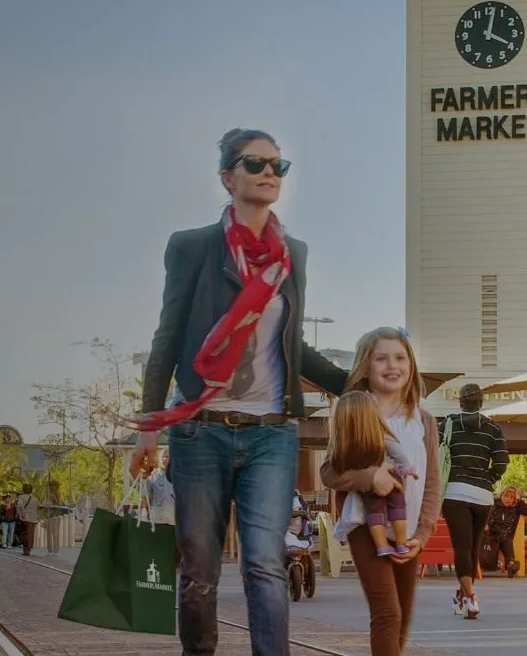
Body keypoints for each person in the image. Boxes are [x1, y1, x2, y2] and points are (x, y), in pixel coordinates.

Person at [137, 127, 348, 656]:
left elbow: (293, 346)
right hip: (200, 432)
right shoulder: (193, 248)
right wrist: (148, 427)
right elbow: (167, 340)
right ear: (228, 177)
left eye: (278, 165)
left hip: (272, 434)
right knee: (200, 567)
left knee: (264, 563)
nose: (269, 174)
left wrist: (363, 383)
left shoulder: (292, 254)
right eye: (255, 164)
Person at [320, 327, 442, 656]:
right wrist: (370, 477)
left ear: (411, 365)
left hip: (409, 526)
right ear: (365, 365)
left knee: (403, 614)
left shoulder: (424, 420)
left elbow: (432, 482)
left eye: (400, 358)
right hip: (365, 522)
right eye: (381, 358)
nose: (393, 366)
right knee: (387, 612)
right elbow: (329, 472)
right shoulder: (353, 410)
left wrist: (423, 532)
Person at [440, 383, 509, 619]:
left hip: (454, 492)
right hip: (482, 496)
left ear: (460, 401)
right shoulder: (493, 428)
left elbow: (434, 454)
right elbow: (501, 462)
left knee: (462, 546)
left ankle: (469, 597)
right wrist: (486, 479)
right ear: (481, 402)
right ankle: (462, 595)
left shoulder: (448, 424)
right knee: (473, 545)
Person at [331, 391, 419, 556]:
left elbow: (336, 468)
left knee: (375, 512)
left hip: (366, 488)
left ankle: (381, 546)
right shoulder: (382, 437)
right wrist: (408, 471)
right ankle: (400, 542)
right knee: (398, 509)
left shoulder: (344, 447)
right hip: (393, 478)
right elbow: (401, 457)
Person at [483, 486, 527, 578]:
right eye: (506, 496)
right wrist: (486, 525)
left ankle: (511, 565)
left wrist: (519, 500)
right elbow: (487, 516)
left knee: (507, 541)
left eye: (512, 497)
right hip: (492, 534)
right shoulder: (494, 504)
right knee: (489, 559)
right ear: (502, 496)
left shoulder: (516, 506)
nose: (508, 499)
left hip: (506, 534)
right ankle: (508, 564)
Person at [16, 483, 40, 556]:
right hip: (34, 519)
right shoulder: (35, 498)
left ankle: (26, 550)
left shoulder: (21, 497)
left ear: (23, 489)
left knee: (25, 534)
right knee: (31, 534)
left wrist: (19, 514)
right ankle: (29, 549)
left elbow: (19, 506)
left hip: (26, 518)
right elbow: (37, 508)